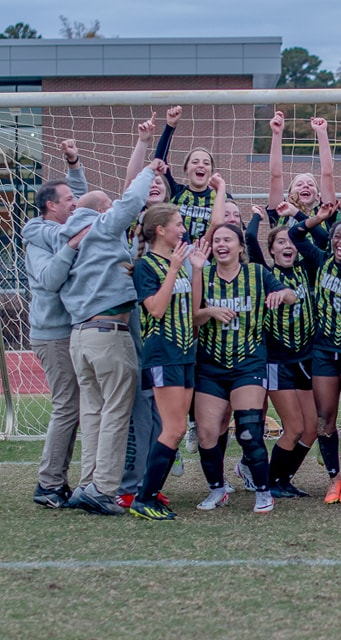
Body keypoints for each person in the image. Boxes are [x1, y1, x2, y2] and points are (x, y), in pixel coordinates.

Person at [55, 160, 167, 515]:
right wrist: (150, 170)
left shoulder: (69, 241)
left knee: (93, 414)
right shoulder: (102, 229)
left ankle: (88, 483)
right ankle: (103, 489)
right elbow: (131, 201)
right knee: (117, 413)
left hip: (80, 336)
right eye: (108, 206)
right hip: (108, 333)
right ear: (102, 212)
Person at [191, 225, 297, 514]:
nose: (221, 244)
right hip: (211, 364)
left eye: (228, 239)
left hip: (248, 362)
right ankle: (217, 489)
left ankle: (263, 493)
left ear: (240, 247)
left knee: (249, 430)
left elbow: (291, 296)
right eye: (216, 240)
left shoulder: (257, 274)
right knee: (207, 434)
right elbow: (192, 317)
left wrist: (282, 295)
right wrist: (210, 311)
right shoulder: (204, 273)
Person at [24, 140, 89, 508]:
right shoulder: (37, 235)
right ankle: (48, 484)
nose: (75, 204)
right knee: (68, 405)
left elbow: (77, 201)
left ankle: (57, 481)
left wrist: (74, 163)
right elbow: (48, 280)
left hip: (73, 331)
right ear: (51, 206)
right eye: (68, 201)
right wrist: (72, 245)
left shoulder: (51, 229)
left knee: (78, 406)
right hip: (53, 335)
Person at [244, 200, 321, 499]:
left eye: (290, 241)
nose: (287, 245)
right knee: (293, 428)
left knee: (311, 429)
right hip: (278, 362)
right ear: (272, 250)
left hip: (306, 358)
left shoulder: (306, 269)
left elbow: (308, 234)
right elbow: (250, 239)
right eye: (280, 242)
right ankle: (271, 481)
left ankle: (284, 478)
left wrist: (299, 216)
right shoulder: (265, 274)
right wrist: (255, 217)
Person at [289, 211, 341, 505]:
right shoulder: (320, 260)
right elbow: (296, 235)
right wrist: (313, 218)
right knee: (324, 418)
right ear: (331, 239)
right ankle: (335, 478)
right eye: (337, 237)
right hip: (323, 350)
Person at [128, 204, 195, 520]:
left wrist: (189, 268)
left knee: (177, 429)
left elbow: (191, 310)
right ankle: (144, 498)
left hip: (184, 353)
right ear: (161, 230)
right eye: (178, 224)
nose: (183, 229)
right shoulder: (147, 266)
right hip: (162, 354)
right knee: (174, 427)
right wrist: (172, 270)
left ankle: (150, 493)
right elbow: (155, 308)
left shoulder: (178, 263)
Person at [153, 105, 219, 242]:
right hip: (176, 256)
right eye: (195, 162)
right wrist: (170, 126)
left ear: (211, 171)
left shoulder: (220, 197)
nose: (201, 165)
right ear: (186, 169)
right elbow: (160, 160)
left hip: (210, 259)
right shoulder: (175, 191)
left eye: (206, 163)